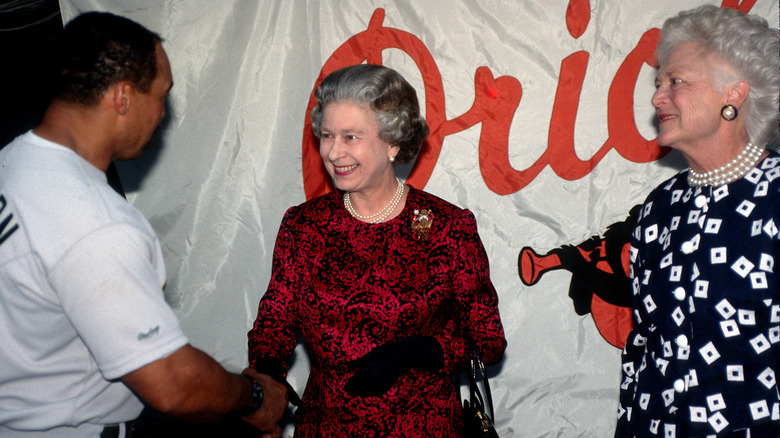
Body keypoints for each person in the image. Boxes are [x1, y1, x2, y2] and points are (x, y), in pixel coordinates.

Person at [0, 12, 288, 438]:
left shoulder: (11, 161)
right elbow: (174, 387)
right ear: (123, 98)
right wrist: (255, 397)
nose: (162, 115)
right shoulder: (96, 223)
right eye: (162, 95)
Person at [247, 64, 506, 436]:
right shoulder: (304, 226)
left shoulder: (447, 228)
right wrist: (268, 371)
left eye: (351, 137)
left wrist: (422, 350)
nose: (334, 152)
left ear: (393, 142)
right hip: (326, 428)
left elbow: (487, 340)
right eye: (326, 135)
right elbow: (274, 323)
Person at [615, 5, 779, 437]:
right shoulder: (659, 208)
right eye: (657, 83)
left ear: (735, 94)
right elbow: (641, 352)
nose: (656, 97)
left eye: (676, 82)